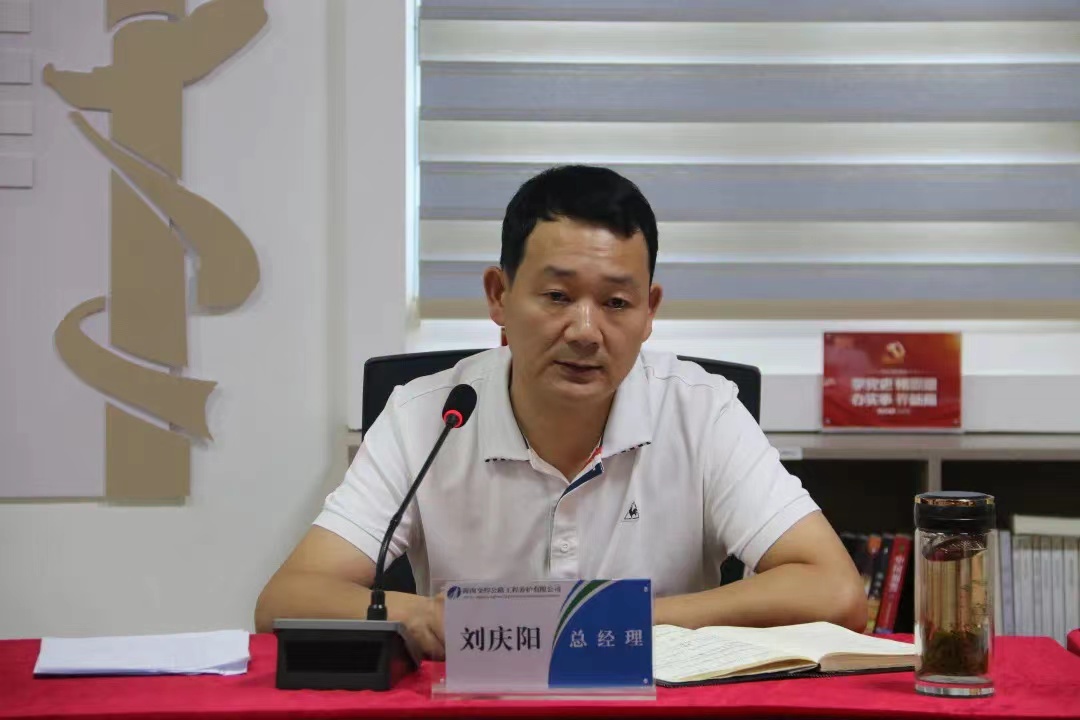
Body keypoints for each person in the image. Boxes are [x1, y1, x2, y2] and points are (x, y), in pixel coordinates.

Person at [255, 165, 866, 657]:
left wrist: (618, 621)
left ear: (649, 312)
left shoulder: (701, 411)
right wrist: (418, 615)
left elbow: (836, 591)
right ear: (499, 296)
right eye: (557, 295)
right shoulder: (428, 416)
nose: (585, 330)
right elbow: (288, 597)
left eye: (616, 303)